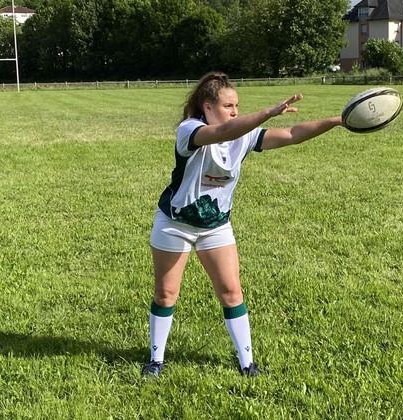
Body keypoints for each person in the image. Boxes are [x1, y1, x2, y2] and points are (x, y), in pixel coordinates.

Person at [143, 72, 342, 377]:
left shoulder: (245, 135)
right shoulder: (189, 130)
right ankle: (156, 361)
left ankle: (247, 363)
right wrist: (267, 112)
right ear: (207, 107)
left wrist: (337, 120)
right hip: (175, 223)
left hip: (216, 226)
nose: (235, 111)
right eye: (228, 105)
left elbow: (292, 134)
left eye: (237, 105)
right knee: (166, 294)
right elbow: (222, 133)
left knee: (232, 292)